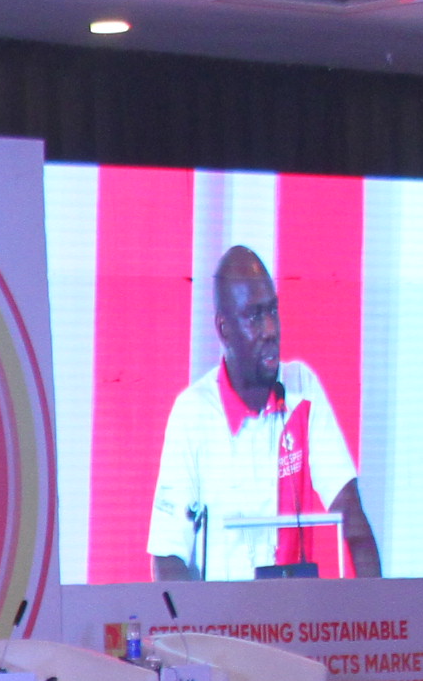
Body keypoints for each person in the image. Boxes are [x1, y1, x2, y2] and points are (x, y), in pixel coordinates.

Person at [145, 244, 381, 582]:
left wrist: (377, 607)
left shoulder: (301, 389)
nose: (271, 329)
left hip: (295, 609)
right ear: (224, 329)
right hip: (220, 614)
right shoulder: (192, 414)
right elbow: (168, 557)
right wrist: (190, 618)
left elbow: (353, 521)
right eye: (254, 316)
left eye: (273, 311)